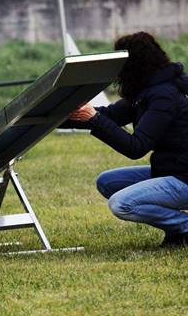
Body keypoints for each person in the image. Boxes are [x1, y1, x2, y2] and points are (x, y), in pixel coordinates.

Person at [68, 31, 188, 247]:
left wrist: (93, 119)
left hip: (184, 177)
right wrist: (54, 118)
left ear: (134, 64)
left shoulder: (164, 96)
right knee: (107, 182)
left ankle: (183, 226)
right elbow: (110, 115)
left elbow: (136, 147)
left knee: (121, 203)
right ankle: (178, 229)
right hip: (172, 170)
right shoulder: (148, 90)